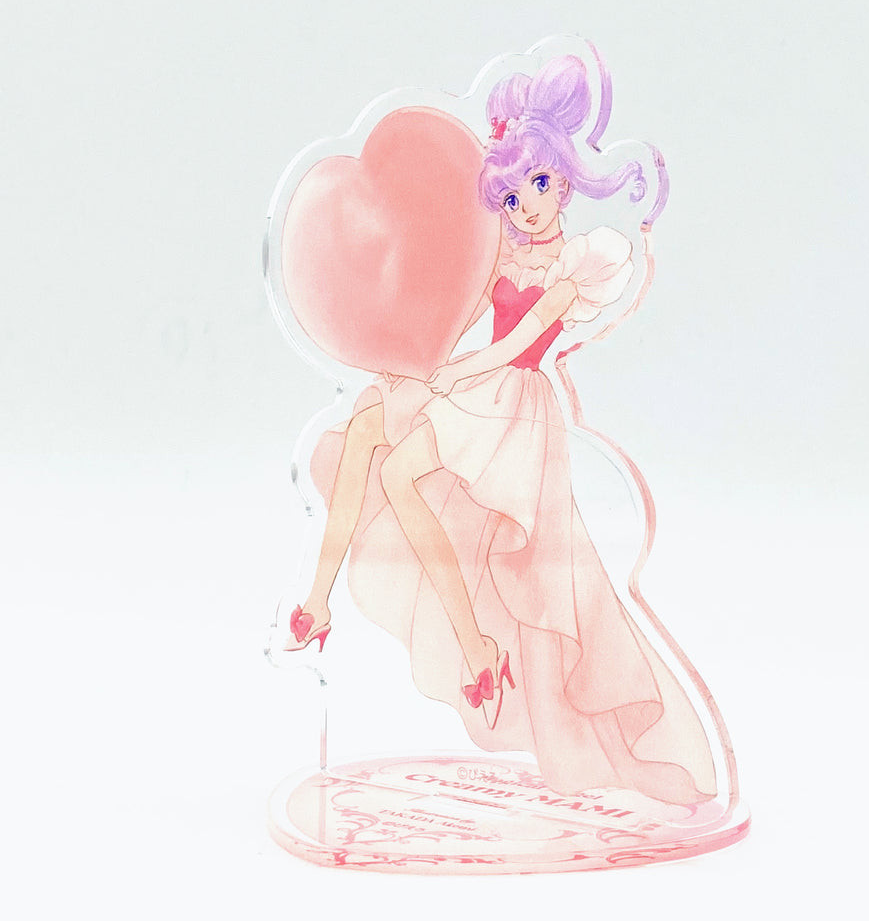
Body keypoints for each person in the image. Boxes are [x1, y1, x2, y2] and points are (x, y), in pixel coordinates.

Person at [284, 54, 717, 805]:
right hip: (471, 384)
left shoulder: (573, 267)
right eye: (512, 194)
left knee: (401, 475)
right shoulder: (504, 250)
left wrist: (449, 377)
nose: (527, 205)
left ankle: (478, 649)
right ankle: (319, 606)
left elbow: (519, 342)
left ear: (567, 183)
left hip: (512, 406)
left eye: (540, 185)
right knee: (363, 432)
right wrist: (415, 363)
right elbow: (450, 302)